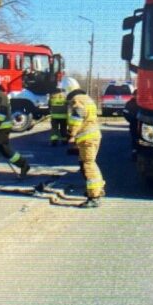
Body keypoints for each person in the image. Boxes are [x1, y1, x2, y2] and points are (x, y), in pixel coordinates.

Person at [63, 77, 105, 208]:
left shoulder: (77, 100)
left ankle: (94, 196)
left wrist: (70, 133)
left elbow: (76, 118)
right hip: (92, 137)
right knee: (87, 163)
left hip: (87, 139)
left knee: (88, 165)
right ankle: (98, 189)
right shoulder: (86, 98)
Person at [122, 89, 138, 153]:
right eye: (136, 95)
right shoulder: (129, 103)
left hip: (143, 124)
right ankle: (134, 150)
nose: (137, 96)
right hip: (133, 123)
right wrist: (130, 119)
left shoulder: (145, 103)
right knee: (134, 137)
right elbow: (125, 112)